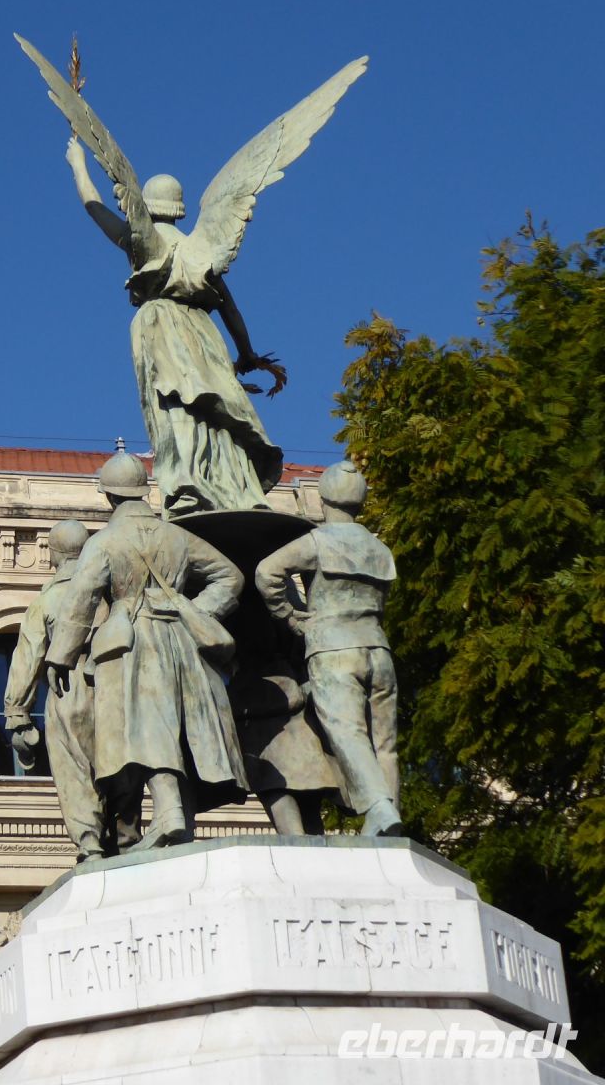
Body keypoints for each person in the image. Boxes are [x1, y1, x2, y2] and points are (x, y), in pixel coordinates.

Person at [66, 137, 283, 516]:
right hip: (203, 333)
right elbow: (230, 307)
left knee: (174, 407)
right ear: (180, 208)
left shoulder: (142, 243)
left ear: (146, 206)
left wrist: (78, 164)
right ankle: (234, 487)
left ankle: (187, 486)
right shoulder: (201, 250)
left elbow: (93, 206)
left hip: (159, 327)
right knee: (214, 409)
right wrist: (246, 352)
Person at [45, 454, 250, 849]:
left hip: (131, 643)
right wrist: (189, 608)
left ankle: (170, 812)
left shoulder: (103, 542)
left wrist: (60, 656)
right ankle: (181, 823)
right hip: (179, 639)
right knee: (181, 724)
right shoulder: (176, 536)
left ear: (107, 495)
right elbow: (231, 576)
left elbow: (81, 600)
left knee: (146, 726)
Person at [254, 460, 403, 836]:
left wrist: (289, 615)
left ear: (323, 501)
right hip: (378, 650)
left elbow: (267, 572)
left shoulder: (319, 541)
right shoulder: (380, 550)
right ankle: (389, 817)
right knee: (385, 742)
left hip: (333, 649)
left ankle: (380, 808)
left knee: (347, 732)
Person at [3, 519, 137, 861]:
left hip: (67, 688)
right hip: (114, 684)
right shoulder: (111, 592)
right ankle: (128, 837)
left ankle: (89, 844)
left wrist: (18, 712)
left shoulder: (46, 601)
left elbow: (28, 657)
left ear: (53, 556)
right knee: (120, 764)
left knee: (76, 770)